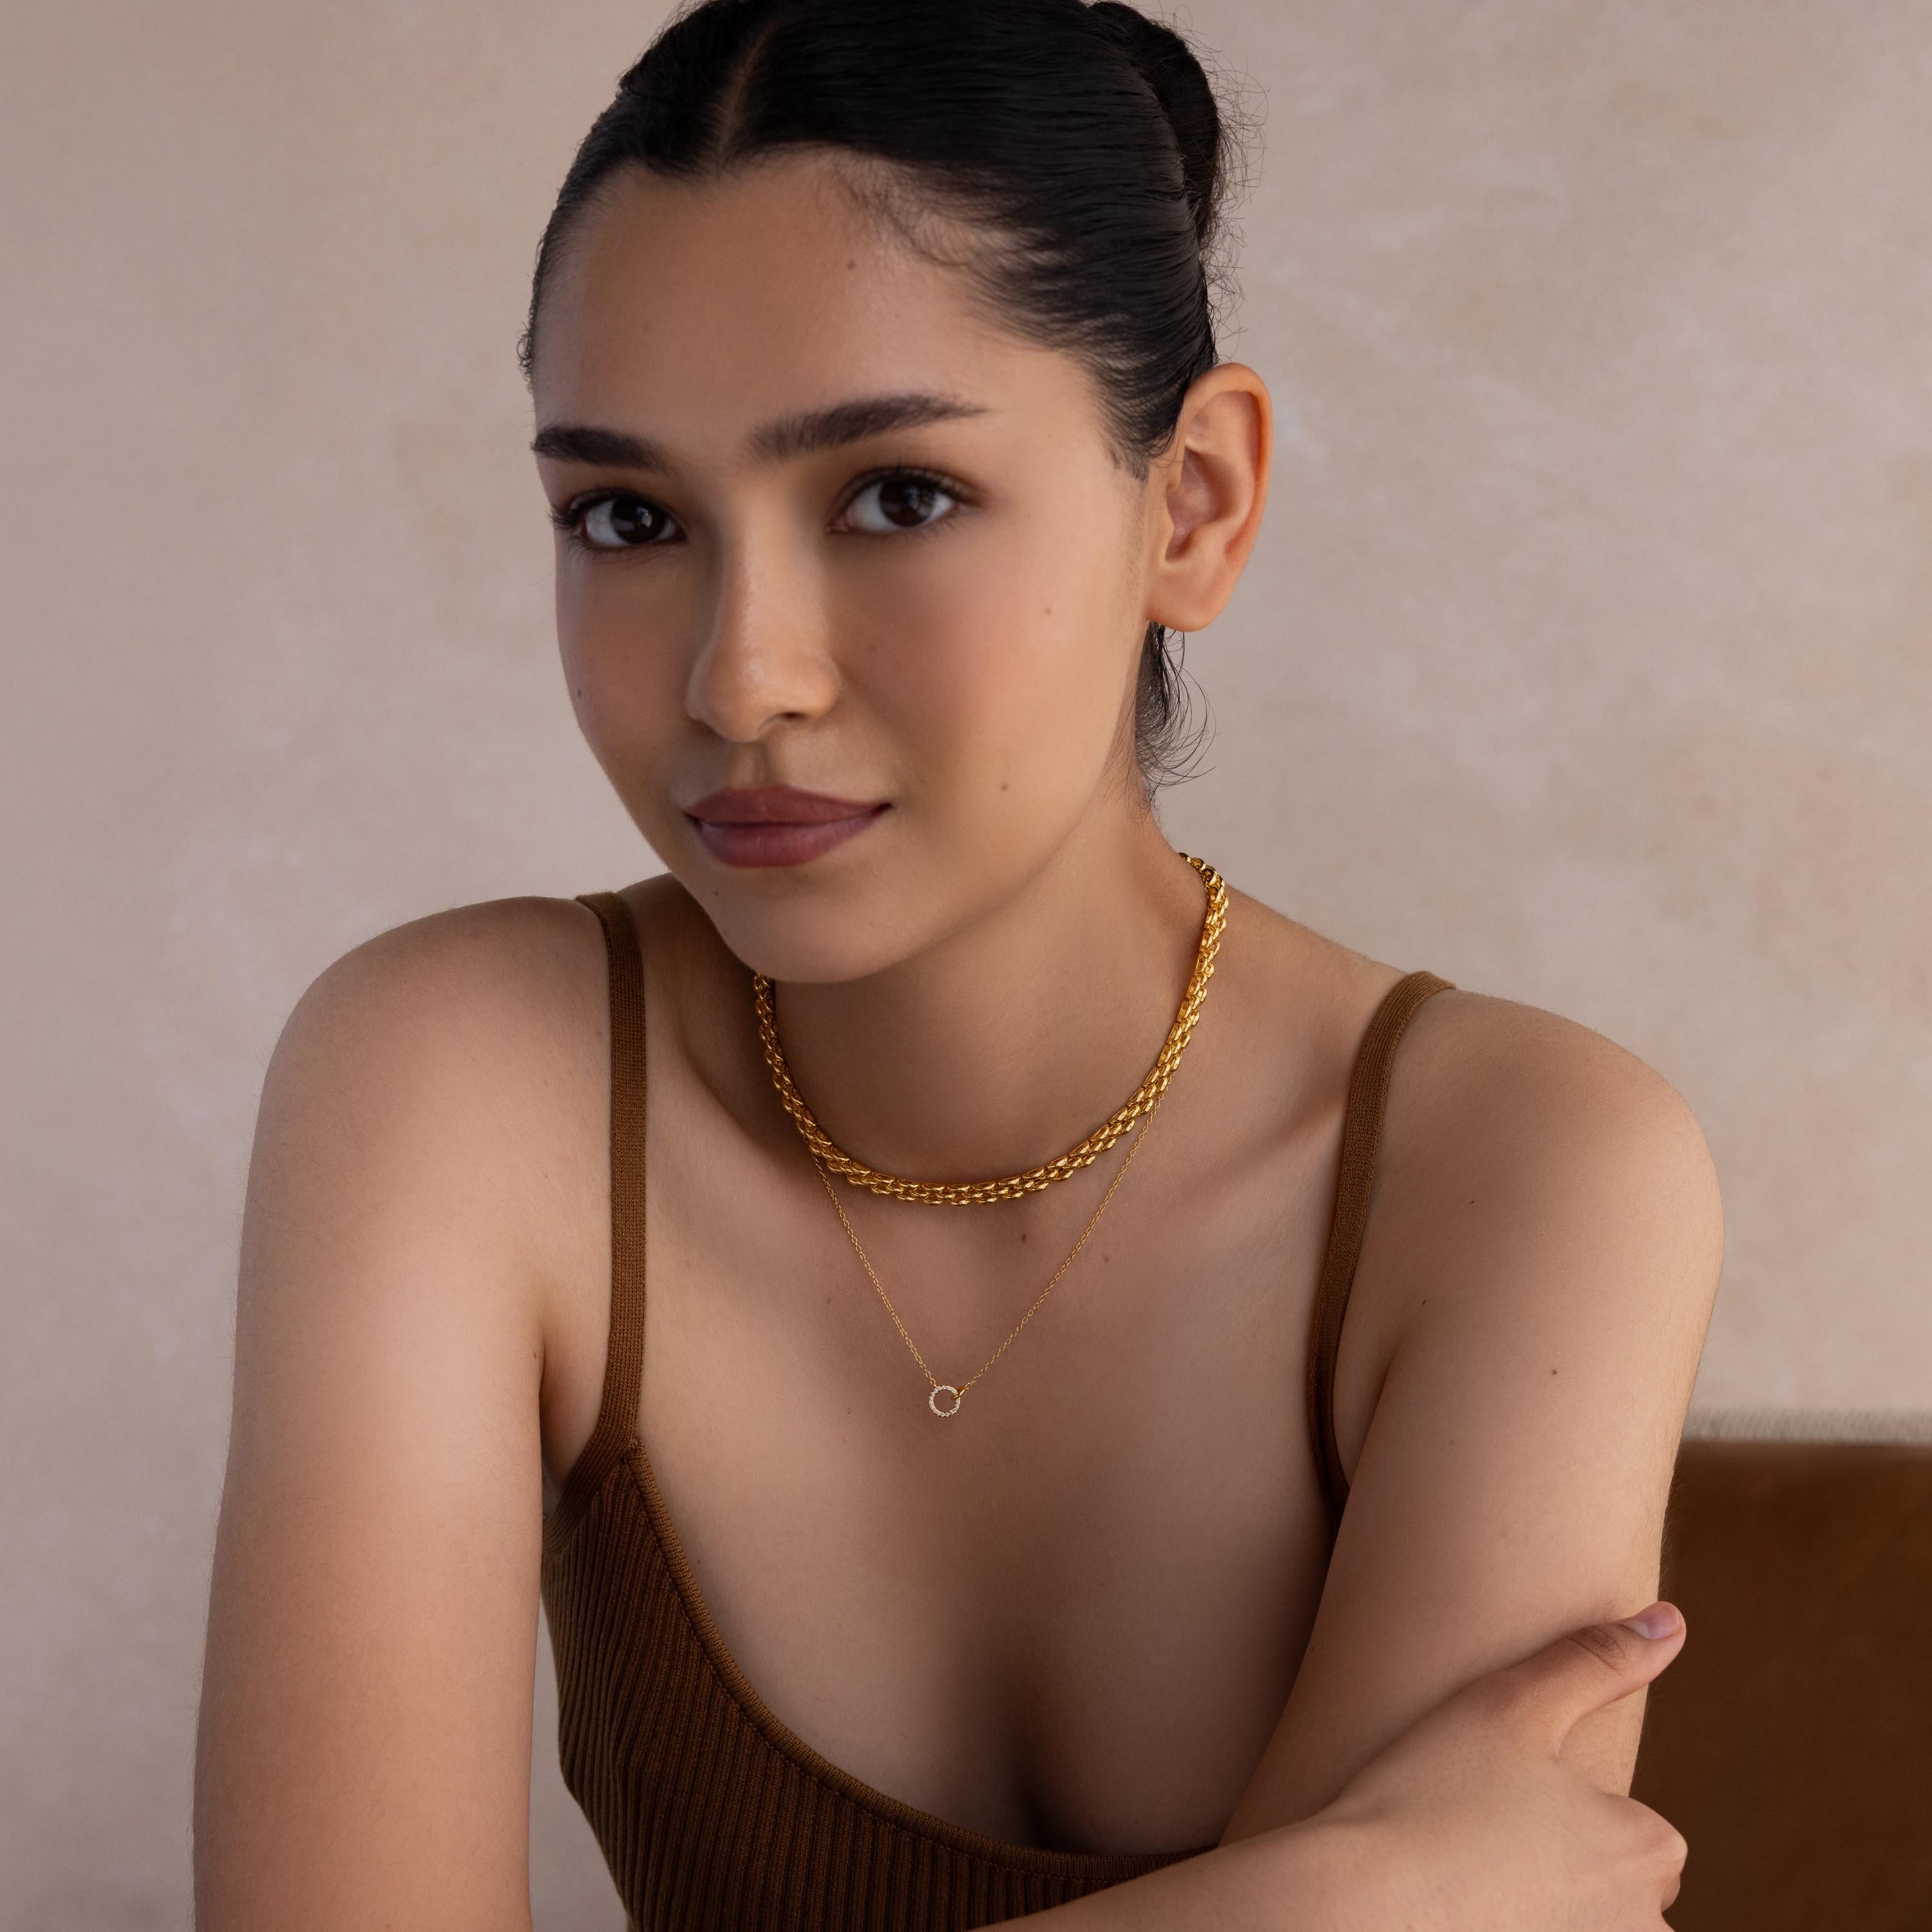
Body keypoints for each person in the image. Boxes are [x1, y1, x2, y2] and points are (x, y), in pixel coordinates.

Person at [192, 2, 1724, 1926]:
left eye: (897, 495)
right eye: (627, 518)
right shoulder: (459, 1086)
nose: (741, 678)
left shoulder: (1518, 1166)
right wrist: (1310, 1904)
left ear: (1194, 502)